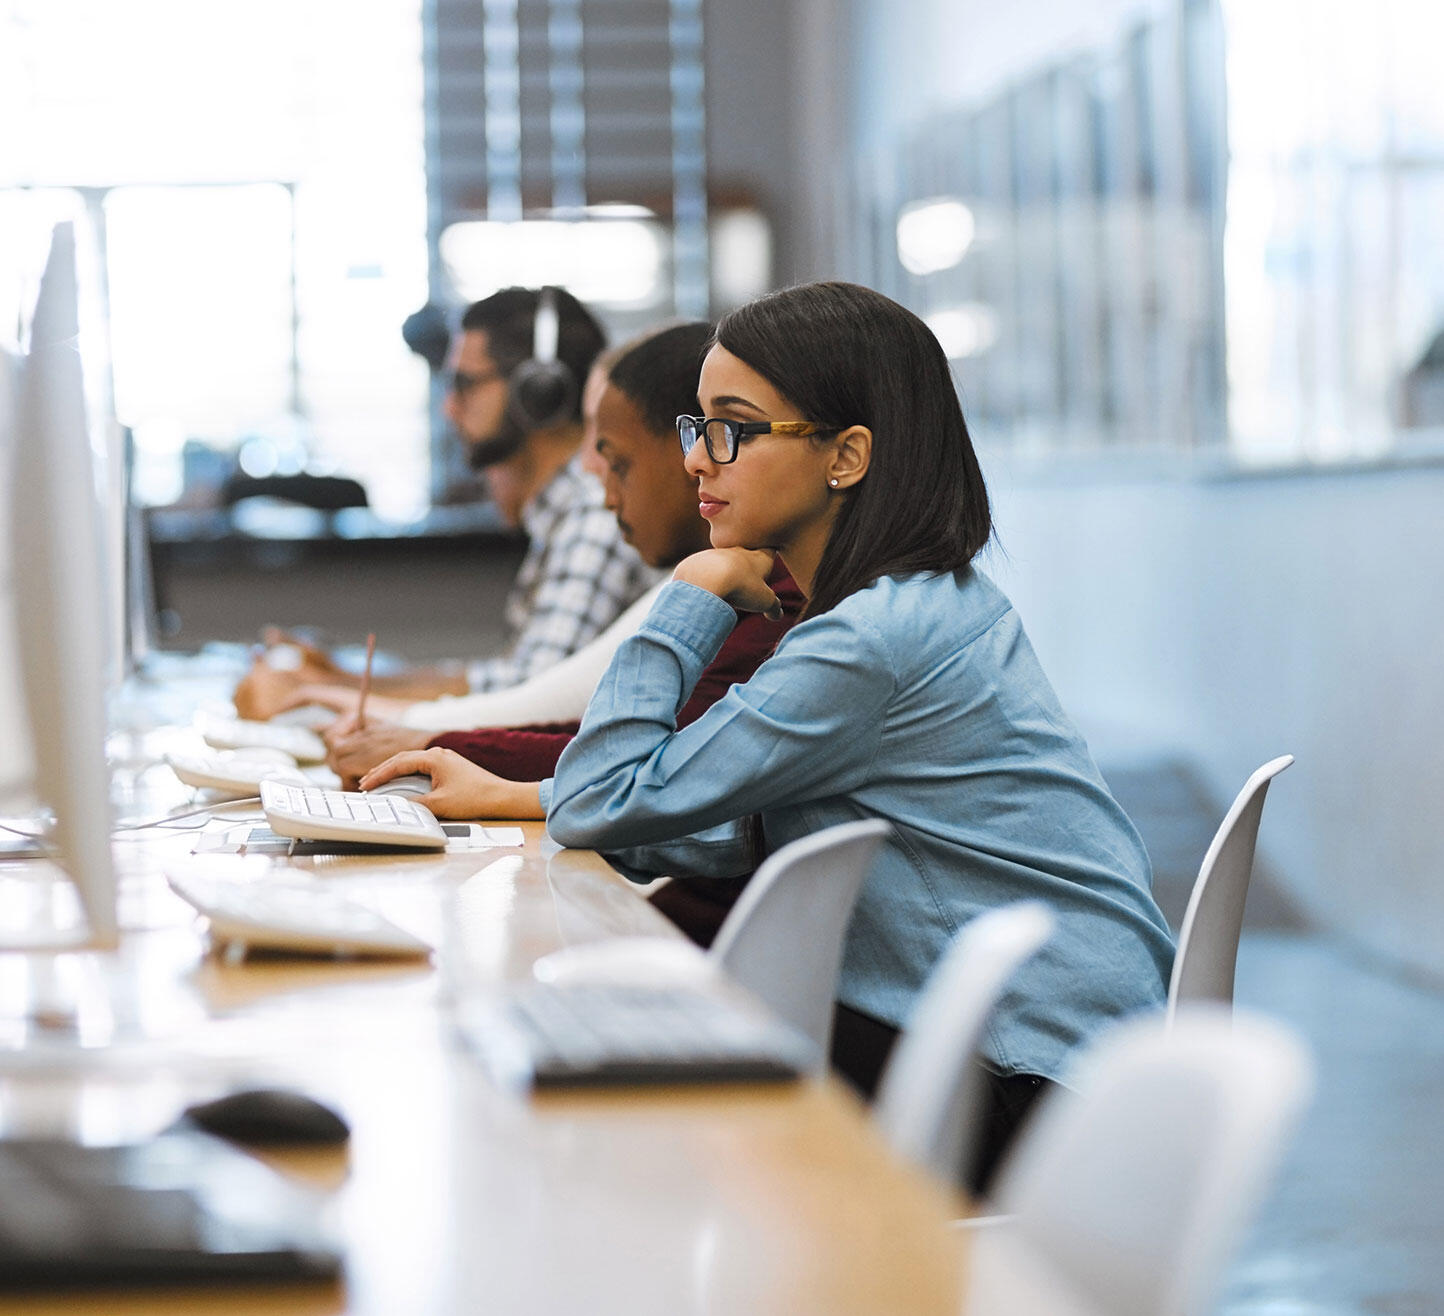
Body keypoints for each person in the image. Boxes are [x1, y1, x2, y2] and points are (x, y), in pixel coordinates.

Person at [363, 281, 1175, 1191]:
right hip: (1056, 1049)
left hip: (1026, 1079)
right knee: (603, 1052)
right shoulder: (905, 604)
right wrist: (529, 797)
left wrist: (691, 595)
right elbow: (738, 817)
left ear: (847, 456)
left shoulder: (869, 640)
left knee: (607, 1107)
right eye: (696, 427)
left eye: (733, 429)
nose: (699, 462)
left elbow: (606, 801)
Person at [321, 322, 800, 796]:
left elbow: (638, 774)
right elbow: (618, 752)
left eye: (731, 431)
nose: (696, 458)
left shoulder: (777, 602)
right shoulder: (744, 578)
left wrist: (437, 748)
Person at [233, 287, 656, 716]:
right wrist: (339, 679)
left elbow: (526, 701)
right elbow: (505, 679)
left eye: (464, 384)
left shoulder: (594, 516)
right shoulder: (564, 516)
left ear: (537, 394)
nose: (449, 408)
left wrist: (323, 693)